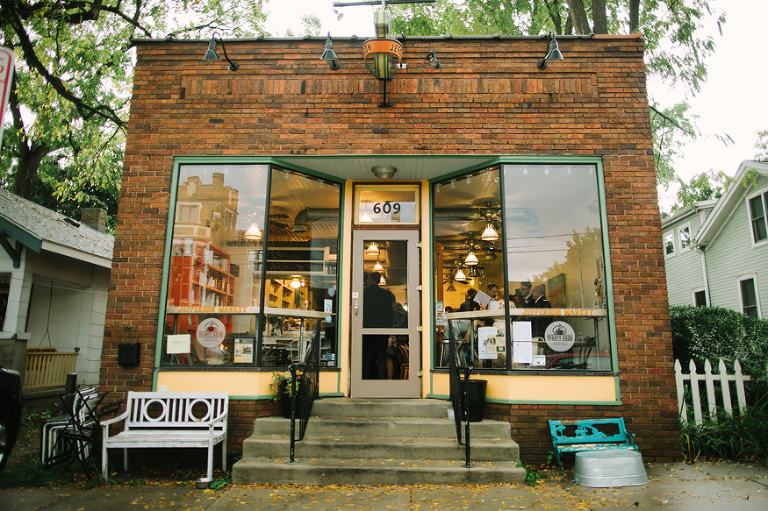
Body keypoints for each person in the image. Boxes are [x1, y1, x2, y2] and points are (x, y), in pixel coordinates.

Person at [362, 272, 395, 379]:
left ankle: (365, 379)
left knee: (366, 356)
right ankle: (381, 379)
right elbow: (389, 313)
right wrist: (389, 328)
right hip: (382, 329)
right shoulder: (385, 295)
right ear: (379, 280)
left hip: (366, 329)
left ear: (370, 279)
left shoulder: (364, 293)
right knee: (381, 357)